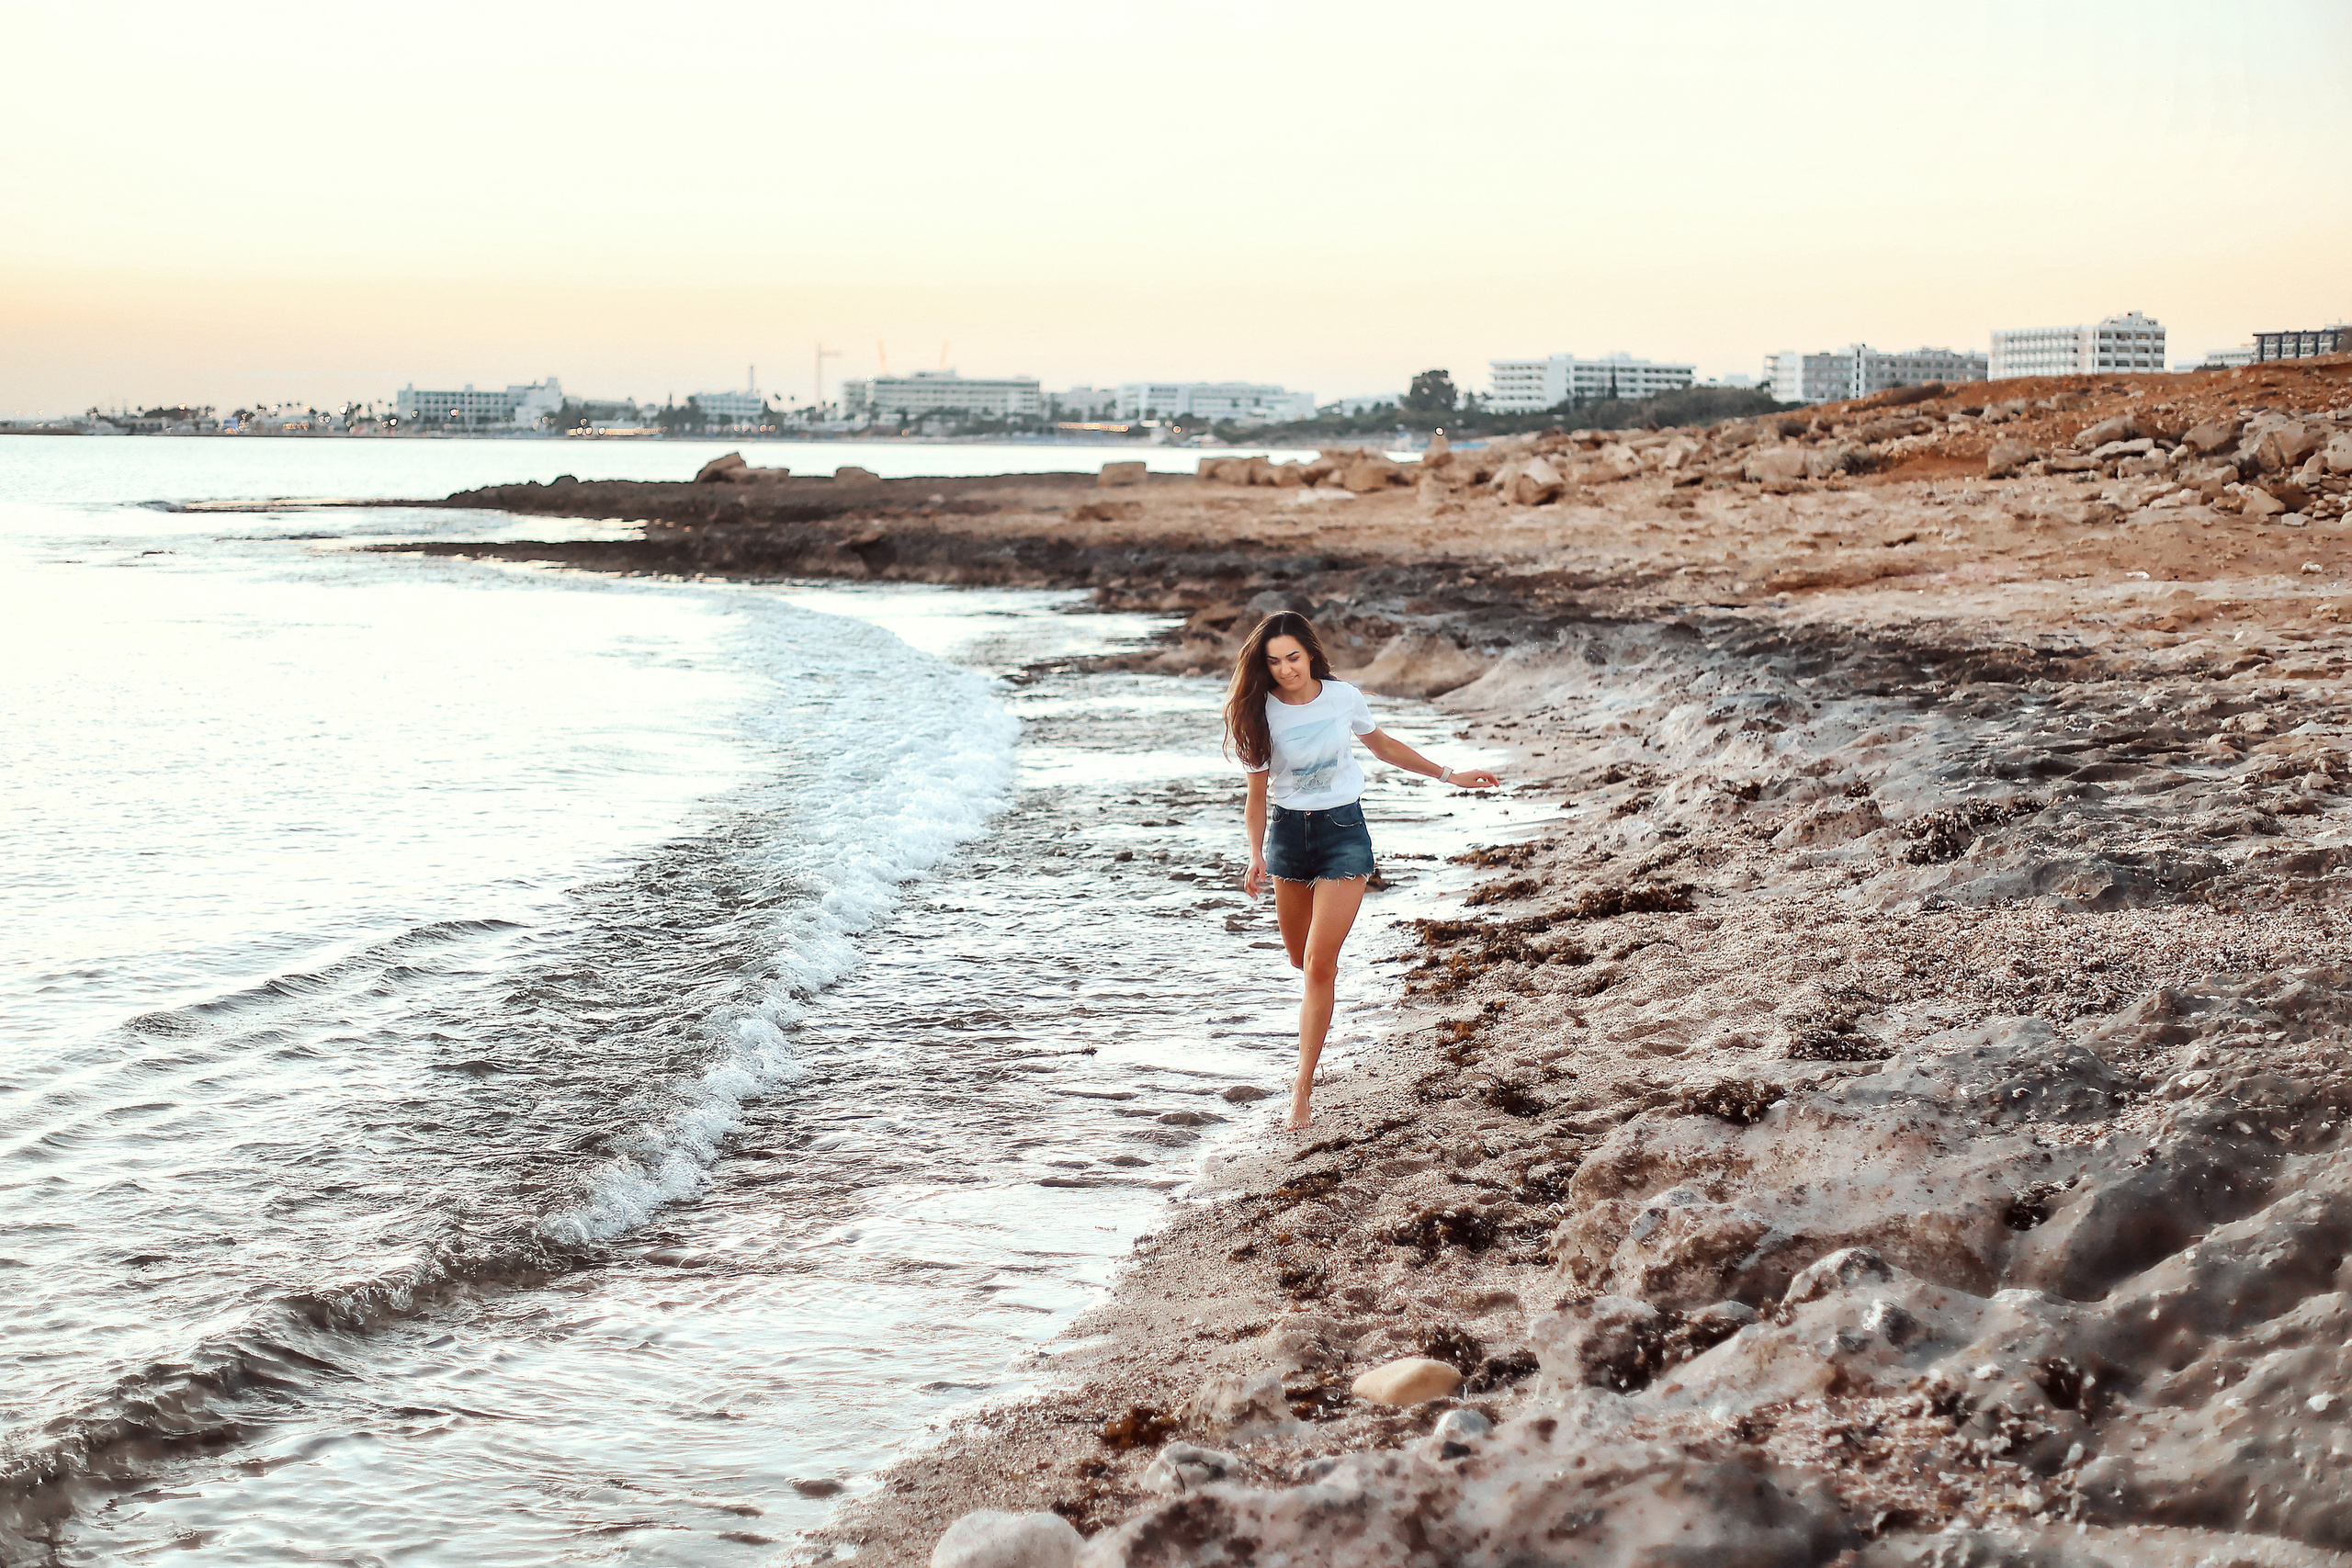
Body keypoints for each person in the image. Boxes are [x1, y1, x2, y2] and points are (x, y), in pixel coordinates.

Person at [1225, 612, 1500, 1129]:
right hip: (1288, 837)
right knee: (1300, 962)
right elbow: (1256, 794)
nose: (1285, 669)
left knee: (1320, 963)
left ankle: (1302, 1088)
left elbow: (1384, 746)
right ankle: (1317, 1024)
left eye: (1293, 658)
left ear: (1309, 654)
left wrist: (1451, 775)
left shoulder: (1342, 697)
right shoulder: (1258, 712)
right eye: (1274, 662)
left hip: (1343, 836)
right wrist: (1256, 853)